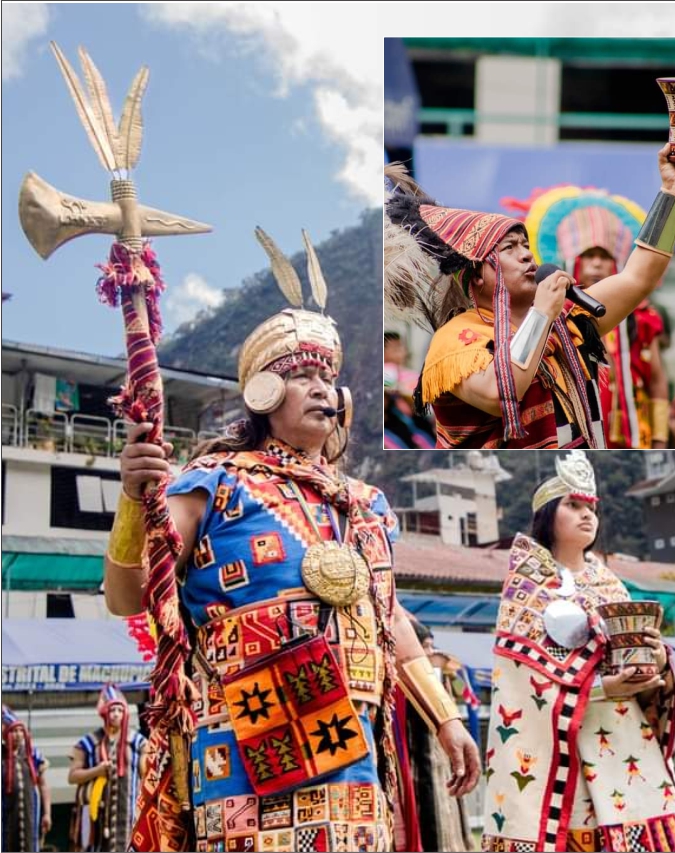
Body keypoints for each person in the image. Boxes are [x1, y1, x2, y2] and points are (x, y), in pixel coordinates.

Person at [107, 230, 479, 851]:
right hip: (249, 746)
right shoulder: (213, 481)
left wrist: (445, 716)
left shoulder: (366, 505)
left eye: (326, 376)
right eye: (300, 374)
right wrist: (131, 499)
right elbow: (127, 595)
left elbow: (389, 620)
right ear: (264, 393)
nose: (319, 388)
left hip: (352, 750)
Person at [384, 148, 675, 449]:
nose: (528, 256)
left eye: (526, 245)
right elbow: (502, 395)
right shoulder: (454, 340)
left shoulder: (565, 321)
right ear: (476, 275)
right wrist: (542, 313)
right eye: (509, 248)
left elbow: (639, 276)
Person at [481, 451, 675, 851]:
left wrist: (659, 659)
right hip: (564, 747)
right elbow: (521, 679)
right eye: (573, 504)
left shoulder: (611, 583)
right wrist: (598, 688)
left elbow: (638, 655)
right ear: (547, 514)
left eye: (591, 508)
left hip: (626, 739)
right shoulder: (526, 589)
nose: (586, 515)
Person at [512, 185, 674, 450]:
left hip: (632, 437)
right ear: (571, 262)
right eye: (589, 256)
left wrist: (660, 439)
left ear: (618, 263)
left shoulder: (642, 316)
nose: (597, 264)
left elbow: (657, 379)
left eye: (604, 256)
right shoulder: (550, 311)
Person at [403, 620, 478, 851]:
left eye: (431, 646)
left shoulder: (437, 678)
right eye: (424, 646)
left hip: (444, 766)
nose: (430, 652)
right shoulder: (406, 683)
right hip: (419, 772)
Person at [68, 685, 144, 852]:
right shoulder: (90, 742)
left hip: (130, 816)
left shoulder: (138, 742)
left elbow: (147, 774)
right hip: (98, 817)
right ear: (104, 713)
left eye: (119, 710)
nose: (116, 714)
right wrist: (97, 771)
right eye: (112, 710)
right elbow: (72, 776)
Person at [3, 704, 52, 852]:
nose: (18, 735)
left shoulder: (32, 755)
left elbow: (43, 784)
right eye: (13, 731)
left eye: (20, 731)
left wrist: (47, 813)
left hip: (30, 815)